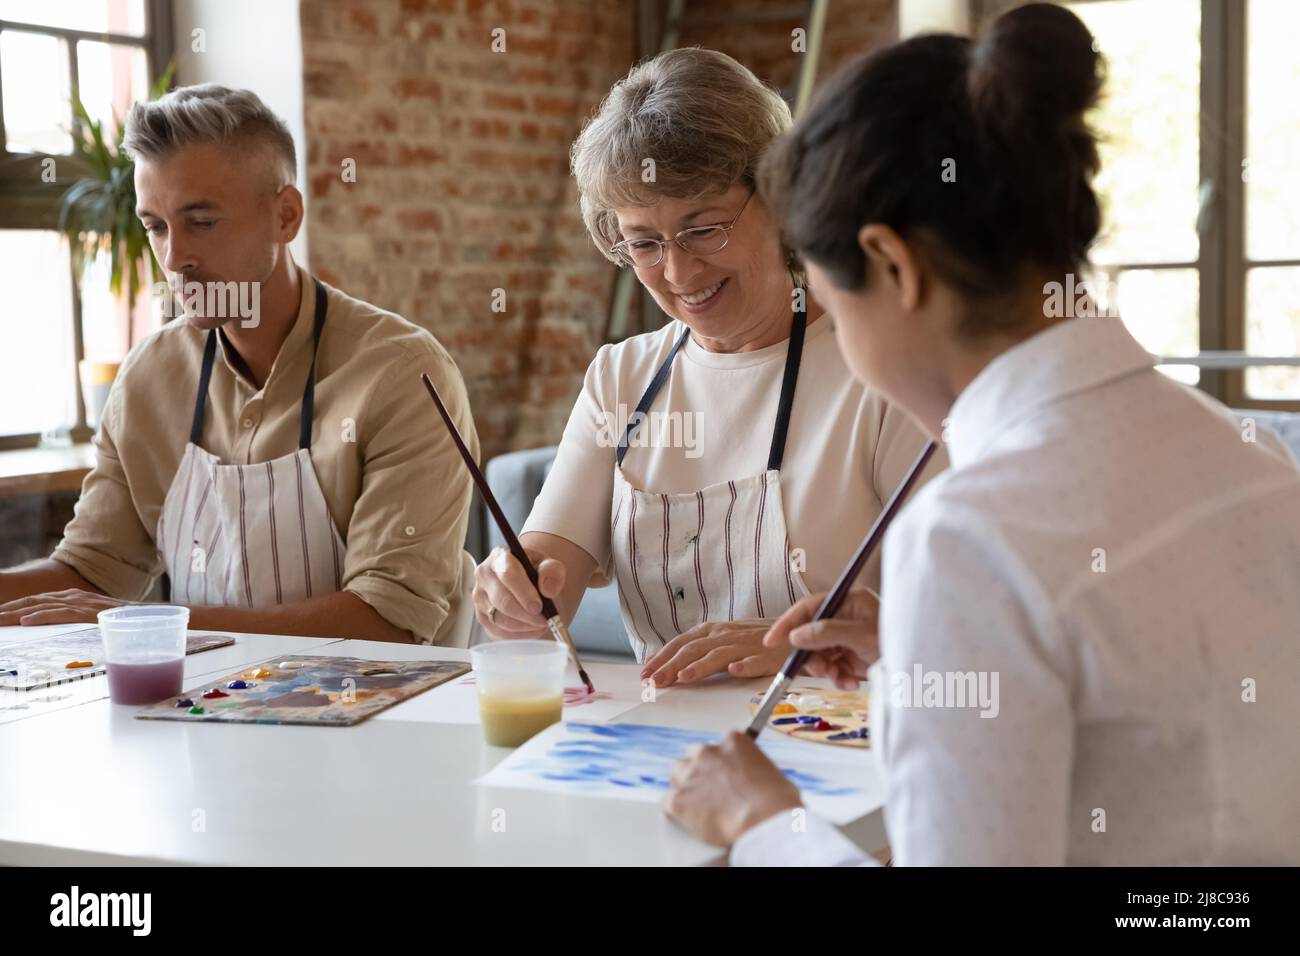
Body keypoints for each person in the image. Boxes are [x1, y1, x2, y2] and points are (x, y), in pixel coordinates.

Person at [664, 3, 1300, 865]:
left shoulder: (972, 535)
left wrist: (765, 822)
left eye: (835, 303)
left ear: (894, 267)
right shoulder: (1252, 458)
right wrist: (928, 660)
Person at [472, 49, 943, 685]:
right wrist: (517, 594)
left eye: (704, 229)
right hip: (657, 744)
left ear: (778, 202)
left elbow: (966, 618)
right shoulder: (622, 378)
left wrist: (808, 651)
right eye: (643, 242)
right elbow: (549, 574)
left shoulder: (878, 372)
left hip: (834, 745)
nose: (678, 272)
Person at [0, 85, 478, 645]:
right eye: (155, 226)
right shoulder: (150, 378)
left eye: (201, 222)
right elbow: (92, 568)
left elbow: (385, 622)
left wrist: (146, 625)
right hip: (199, 715)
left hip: (381, 717)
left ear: (286, 216)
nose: (175, 258)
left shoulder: (404, 375)